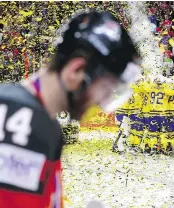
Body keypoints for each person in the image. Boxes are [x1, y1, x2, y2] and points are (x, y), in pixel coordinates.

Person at [0, 10, 141, 208]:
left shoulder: (37, 118)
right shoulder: (27, 122)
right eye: (106, 89)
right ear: (76, 70)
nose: (103, 102)